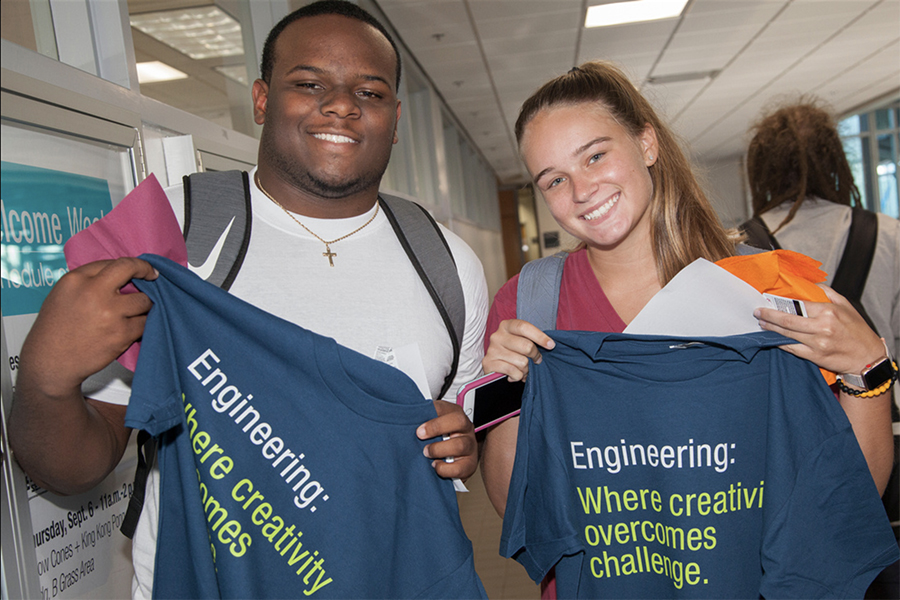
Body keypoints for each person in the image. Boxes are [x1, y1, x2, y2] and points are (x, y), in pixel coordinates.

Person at [8, 1, 487, 597]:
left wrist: (457, 444)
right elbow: (78, 463)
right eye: (309, 84)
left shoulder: (448, 266)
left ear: (394, 118)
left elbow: (454, 426)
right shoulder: (172, 237)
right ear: (262, 100)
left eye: (370, 91)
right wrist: (45, 381)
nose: (341, 105)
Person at [480, 61, 893, 522]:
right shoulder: (529, 308)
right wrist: (508, 392)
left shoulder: (759, 289)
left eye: (595, 156)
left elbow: (850, 497)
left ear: (646, 143)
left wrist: (866, 371)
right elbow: (514, 508)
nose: (581, 190)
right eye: (554, 179)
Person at [745, 98, 899, 363]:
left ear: (762, 171)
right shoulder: (889, 234)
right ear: (835, 161)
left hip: (788, 402)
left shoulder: (740, 246)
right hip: (876, 394)